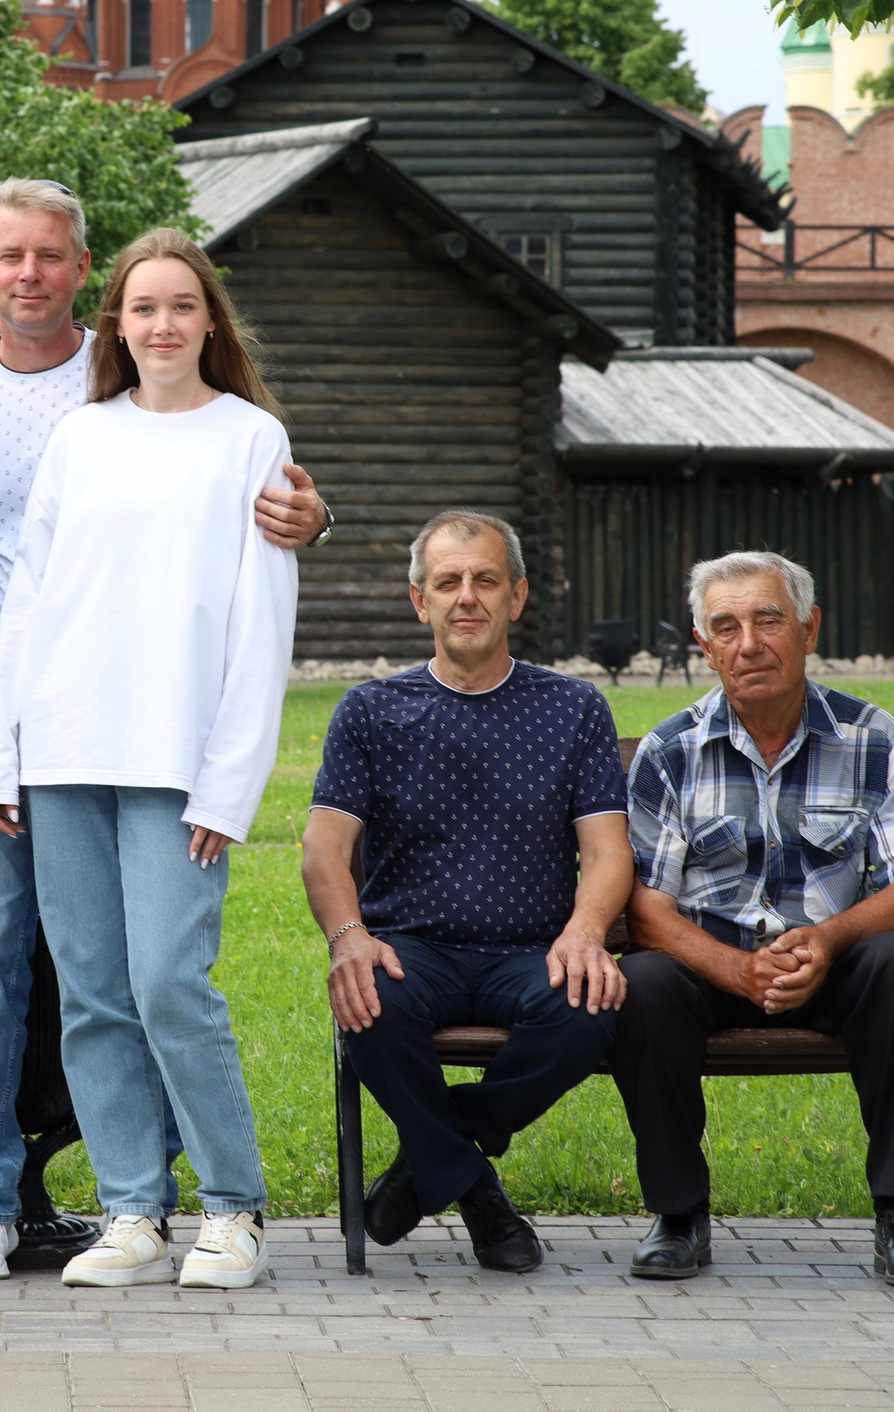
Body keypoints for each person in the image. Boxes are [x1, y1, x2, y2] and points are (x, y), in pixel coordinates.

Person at [0, 177, 329, 1281]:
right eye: (147, 308)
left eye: (181, 306)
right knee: (88, 990)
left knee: (171, 984)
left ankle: (231, 1207)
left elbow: (258, 630)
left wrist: (231, 789)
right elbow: (29, 607)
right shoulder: (80, 437)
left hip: (176, 761)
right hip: (61, 752)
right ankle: (133, 1210)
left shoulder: (250, 438)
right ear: (119, 323)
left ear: (208, 321)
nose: (162, 324)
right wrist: (2, 759)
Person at [614, 550, 894, 1289]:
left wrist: (828, 940)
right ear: (704, 645)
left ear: (809, 628)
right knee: (642, 982)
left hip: (834, 962)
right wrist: (734, 966)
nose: (749, 644)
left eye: (769, 620)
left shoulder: (872, 737)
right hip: (710, 965)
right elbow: (645, 910)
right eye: (726, 626)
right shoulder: (669, 751)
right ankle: (678, 1214)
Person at [299, 511, 630, 1272]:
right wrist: (350, 938)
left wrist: (585, 931)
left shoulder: (572, 709)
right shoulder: (370, 711)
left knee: (590, 1011)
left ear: (517, 597)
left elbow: (608, 851)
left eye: (485, 580)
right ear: (420, 601)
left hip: (532, 951)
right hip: (413, 949)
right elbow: (324, 848)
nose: (466, 597)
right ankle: (480, 1195)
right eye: (448, 581)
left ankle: (425, 1166)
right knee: (370, 1000)